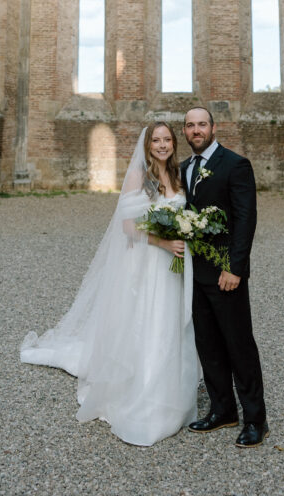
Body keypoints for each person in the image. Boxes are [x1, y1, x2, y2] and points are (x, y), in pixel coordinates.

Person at [20, 122, 199, 446]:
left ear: (175, 144)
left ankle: (170, 388)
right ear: (147, 146)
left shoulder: (179, 175)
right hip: (147, 262)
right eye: (156, 140)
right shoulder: (139, 177)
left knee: (168, 323)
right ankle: (141, 391)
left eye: (167, 140)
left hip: (172, 267)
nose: (162, 145)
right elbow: (128, 228)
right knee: (145, 321)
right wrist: (164, 243)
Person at [181, 106, 269, 448]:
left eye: (202, 124)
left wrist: (234, 268)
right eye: (190, 126)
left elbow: (246, 220)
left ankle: (255, 419)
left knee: (239, 345)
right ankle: (223, 410)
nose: (196, 130)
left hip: (224, 273)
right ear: (185, 132)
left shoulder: (235, 165)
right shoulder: (184, 168)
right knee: (208, 345)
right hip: (195, 274)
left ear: (213, 127)